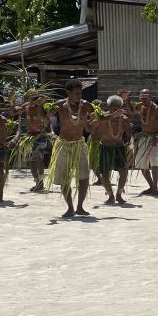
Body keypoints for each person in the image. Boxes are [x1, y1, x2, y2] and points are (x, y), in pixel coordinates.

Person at [44, 80, 94, 217]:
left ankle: (80, 207)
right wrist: (44, 108)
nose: (79, 95)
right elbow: (46, 116)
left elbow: (98, 118)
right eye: (76, 93)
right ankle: (70, 208)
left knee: (84, 177)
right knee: (65, 178)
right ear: (68, 93)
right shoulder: (60, 105)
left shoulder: (86, 106)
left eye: (80, 93)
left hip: (79, 144)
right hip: (63, 144)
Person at [91, 95, 133, 204]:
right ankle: (110, 195)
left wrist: (130, 146)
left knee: (123, 171)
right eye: (114, 109)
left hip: (119, 147)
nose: (117, 111)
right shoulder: (102, 118)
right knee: (105, 173)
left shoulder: (124, 119)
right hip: (105, 147)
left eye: (119, 109)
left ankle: (119, 194)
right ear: (109, 108)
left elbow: (129, 135)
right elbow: (92, 131)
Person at [123, 89, 158, 195]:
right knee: (141, 163)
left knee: (154, 162)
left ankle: (155, 188)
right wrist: (127, 100)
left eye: (146, 98)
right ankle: (151, 186)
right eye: (142, 98)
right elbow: (132, 111)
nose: (144, 100)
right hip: (144, 137)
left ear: (150, 97)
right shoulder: (139, 106)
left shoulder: (156, 108)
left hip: (154, 137)